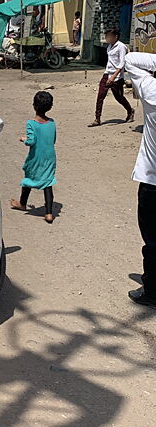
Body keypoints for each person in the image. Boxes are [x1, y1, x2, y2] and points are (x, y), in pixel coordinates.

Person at [124, 52, 156, 308]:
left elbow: (131, 59)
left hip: (152, 182)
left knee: (153, 240)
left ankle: (153, 291)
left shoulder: (152, 90)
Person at [10, 91, 57, 224]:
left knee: (29, 177)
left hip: (35, 158)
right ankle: (49, 213)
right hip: (49, 157)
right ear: (50, 106)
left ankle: (22, 203)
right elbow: (53, 139)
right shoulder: (52, 122)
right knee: (48, 182)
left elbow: (31, 141)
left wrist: (23, 139)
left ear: (34, 106)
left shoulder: (31, 123)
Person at [88, 28, 134, 127]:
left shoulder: (121, 47)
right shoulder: (109, 46)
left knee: (119, 97)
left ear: (115, 36)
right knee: (100, 96)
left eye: (108, 36)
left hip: (116, 77)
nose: (107, 38)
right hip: (107, 73)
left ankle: (130, 111)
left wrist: (113, 77)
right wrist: (108, 75)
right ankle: (97, 119)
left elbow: (121, 63)